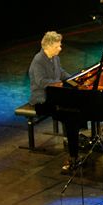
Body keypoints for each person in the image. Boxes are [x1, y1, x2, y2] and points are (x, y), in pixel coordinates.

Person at [28, 31, 79, 174]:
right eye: (57, 46)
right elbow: (41, 82)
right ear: (49, 46)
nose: (60, 48)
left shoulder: (55, 58)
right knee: (69, 115)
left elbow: (61, 72)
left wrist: (73, 79)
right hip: (42, 99)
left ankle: (74, 139)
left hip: (54, 95)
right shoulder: (38, 60)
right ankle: (72, 153)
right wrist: (60, 84)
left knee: (75, 106)